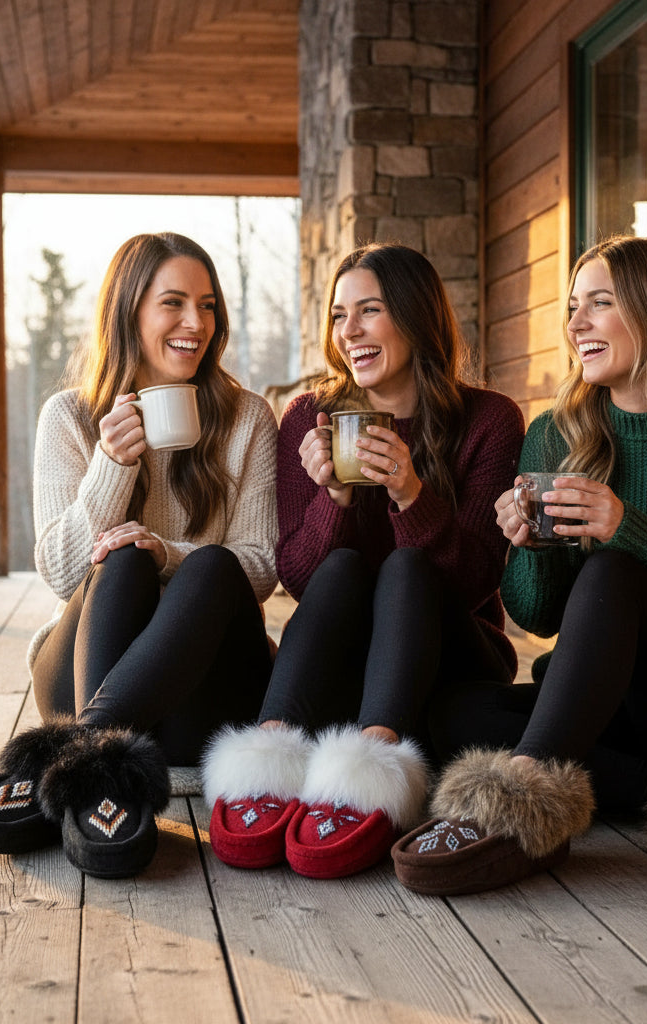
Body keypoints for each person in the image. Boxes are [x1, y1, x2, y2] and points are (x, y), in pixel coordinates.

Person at [391, 235, 647, 897]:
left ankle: (521, 807)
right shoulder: (556, 434)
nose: (575, 323)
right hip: (619, 707)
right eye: (571, 307)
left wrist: (635, 532)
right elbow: (536, 613)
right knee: (455, 715)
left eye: (599, 303)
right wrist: (531, 548)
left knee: (615, 573)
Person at [202, 242, 525, 878]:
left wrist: (411, 495)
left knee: (405, 569)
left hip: (454, 658)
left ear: (414, 316)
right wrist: (335, 502)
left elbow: (477, 578)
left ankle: (374, 768)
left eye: (369, 310)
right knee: (345, 567)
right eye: (338, 315)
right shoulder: (310, 416)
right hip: (348, 667)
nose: (349, 331)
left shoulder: (488, 419)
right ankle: (269, 754)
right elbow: (299, 577)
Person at [0, 232, 278, 878]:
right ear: (129, 310)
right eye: (174, 303)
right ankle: (98, 754)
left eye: (209, 305)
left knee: (209, 563)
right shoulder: (70, 417)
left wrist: (166, 550)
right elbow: (58, 573)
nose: (197, 323)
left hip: (198, 693)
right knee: (121, 560)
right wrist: (111, 467)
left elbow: (261, 567)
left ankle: (71, 757)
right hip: (83, 675)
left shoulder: (247, 419)